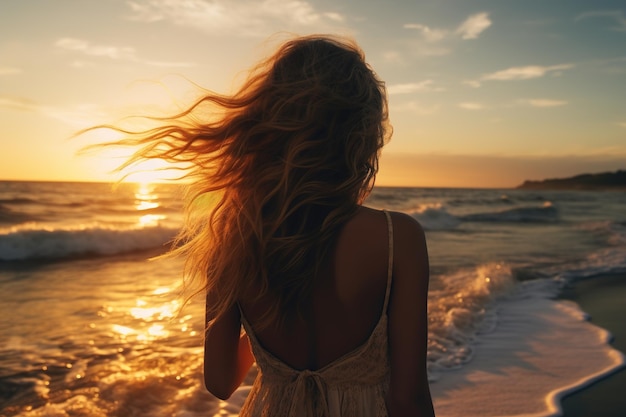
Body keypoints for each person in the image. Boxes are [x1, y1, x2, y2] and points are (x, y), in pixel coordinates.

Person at [103, 35, 433, 416]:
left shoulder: (235, 240)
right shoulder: (397, 239)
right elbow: (408, 398)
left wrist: (266, 333)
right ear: (360, 136)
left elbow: (221, 381)